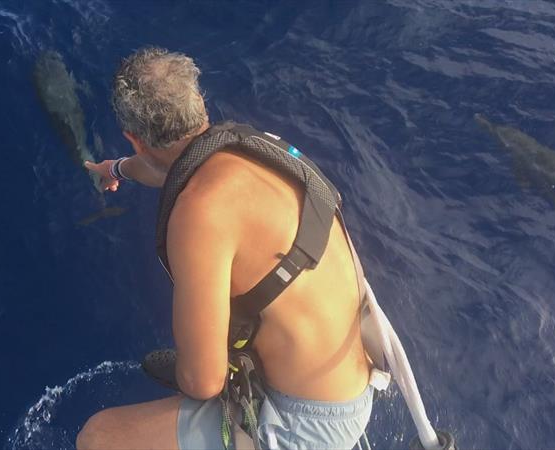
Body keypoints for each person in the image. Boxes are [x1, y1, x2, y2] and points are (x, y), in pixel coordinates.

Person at [78, 47, 377, 450]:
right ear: (198, 102)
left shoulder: (199, 213)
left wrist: (194, 371)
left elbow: (203, 382)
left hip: (306, 424)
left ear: (134, 137)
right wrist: (113, 170)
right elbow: (164, 167)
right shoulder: (250, 148)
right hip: (348, 379)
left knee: (99, 437)